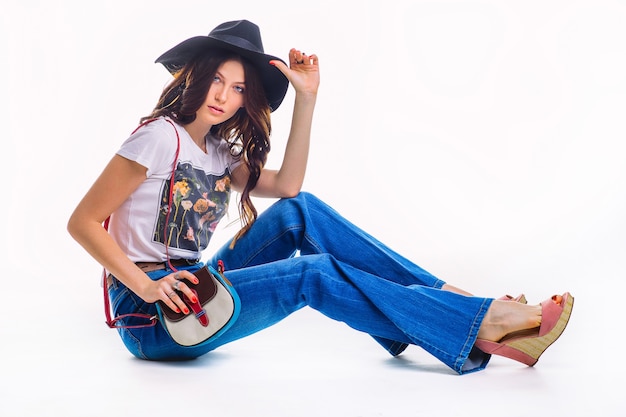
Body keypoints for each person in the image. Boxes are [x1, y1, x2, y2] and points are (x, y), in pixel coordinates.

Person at [67, 19, 574, 375]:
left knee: (298, 213)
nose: (223, 96)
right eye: (216, 80)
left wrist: (307, 98)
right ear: (194, 76)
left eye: (239, 88)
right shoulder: (157, 137)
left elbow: (288, 188)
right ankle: (477, 320)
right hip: (155, 314)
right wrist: (148, 287)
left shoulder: (219, 150)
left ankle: (452, 305)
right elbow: (83, 221)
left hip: (198, 290)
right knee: (315, 274)